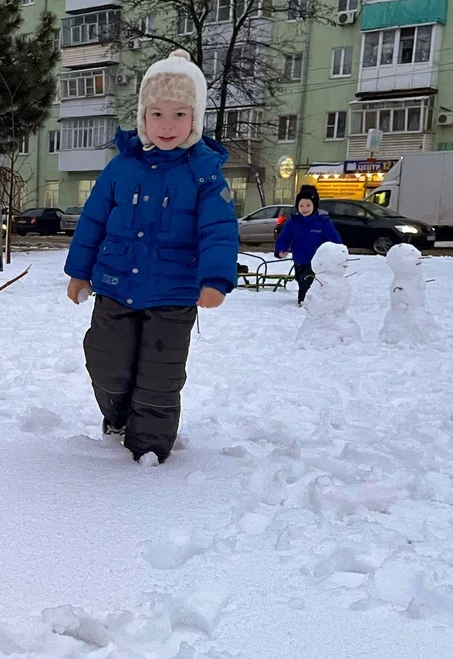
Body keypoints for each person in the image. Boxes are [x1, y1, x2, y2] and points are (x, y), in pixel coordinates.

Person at [64, 49, 239, 465]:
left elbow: (218, 229)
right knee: (107, 364)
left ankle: (149, 452)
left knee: (158, 380)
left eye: (180, 114)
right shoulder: (122, 168)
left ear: (195, 120)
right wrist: (79, 272)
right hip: (115, 287)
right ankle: (118, 418)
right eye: (157, 114)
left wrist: (216, 279)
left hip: (173, 296)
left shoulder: (204, 174)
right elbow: (93, 219)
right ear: (143, 116)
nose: (167, 125)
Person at [274, 184, 342, 306]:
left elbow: (335, 240)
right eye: (301, 205)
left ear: (314, 205)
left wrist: (338, 254)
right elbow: (284, 238)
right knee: (301, 280)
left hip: (317, 262)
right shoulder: (293, 223)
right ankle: (305, 299)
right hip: (299, 260)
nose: (304, 208)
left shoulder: (322, 222)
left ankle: (304, 302)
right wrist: (281, 250)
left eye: (308, 205)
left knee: (309, 282)